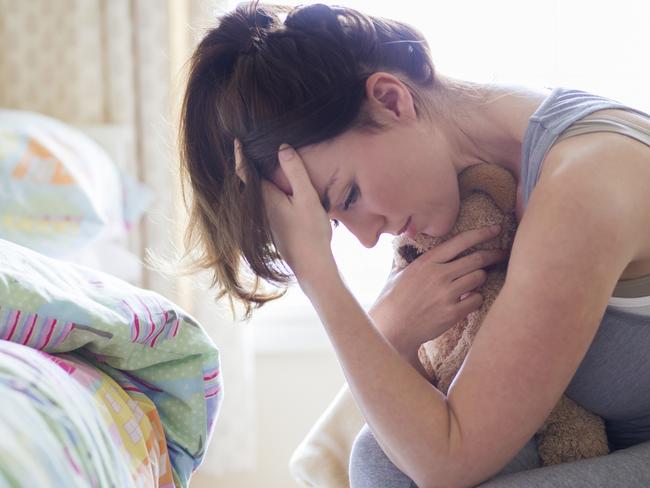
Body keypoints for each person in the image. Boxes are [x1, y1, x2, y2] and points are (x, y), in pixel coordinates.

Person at [178, 1, 650, 486]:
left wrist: (317, 274)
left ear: (390, 99)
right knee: (380, 461)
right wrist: (394, 338)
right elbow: (428, 429)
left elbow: (448, 458)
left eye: (348, 195)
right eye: (336, 222)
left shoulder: (585, 184)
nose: (364, 237)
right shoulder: (463, 192)